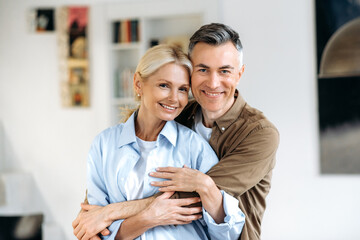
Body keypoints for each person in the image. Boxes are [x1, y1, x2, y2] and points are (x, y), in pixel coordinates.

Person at [73, 23, 279, 240]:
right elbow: (96, 200)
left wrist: (109, 212)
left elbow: (192, 198)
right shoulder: (174, 113)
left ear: (239, 74)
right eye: (202, 69)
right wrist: (90, 216)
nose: (213, 82)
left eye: (224, 71)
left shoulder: (259, 134)